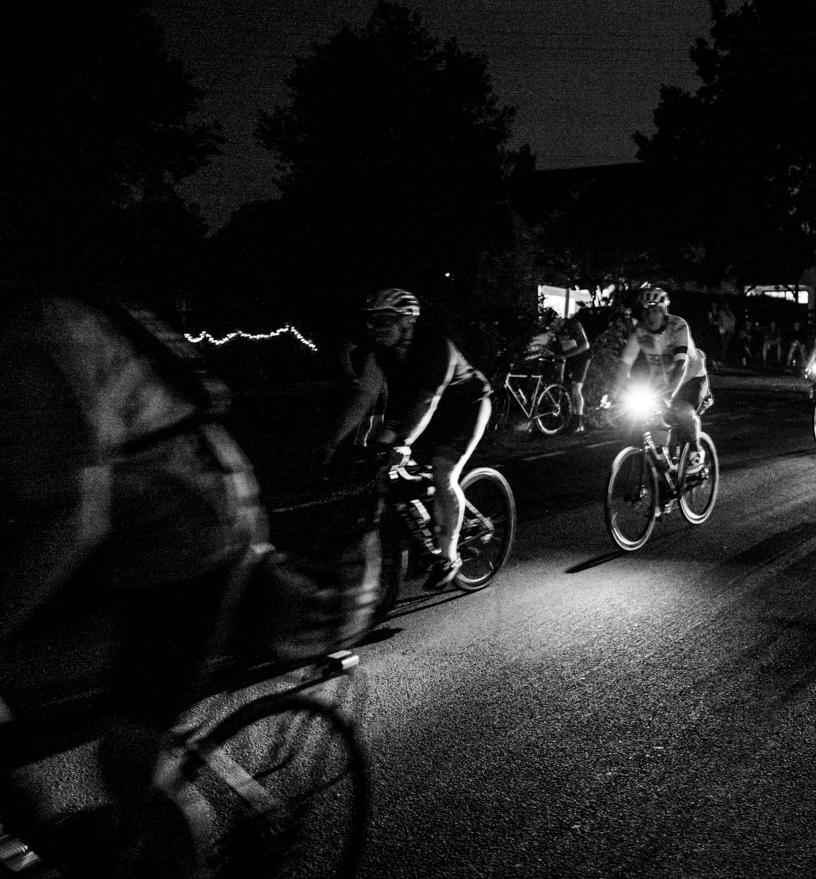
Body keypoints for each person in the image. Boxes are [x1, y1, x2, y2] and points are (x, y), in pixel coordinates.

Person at [0, 289, 265, 878]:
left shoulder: (28, 336)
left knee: (125, 755)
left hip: (194, 525)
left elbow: (75, 516)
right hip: (135, 526)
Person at [317, 288, 493, 590]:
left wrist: (402, 443)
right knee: (384, 466)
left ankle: (448, 557)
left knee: (443, 471)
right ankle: (427, 520)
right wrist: (332, 442)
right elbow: (363, 398)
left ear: (407, 320)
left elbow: (427, 400)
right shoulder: (381, 352)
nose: (377, 327)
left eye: (386, 320)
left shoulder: (435, 346)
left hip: (465, 407)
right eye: (373, 321)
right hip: (420, 412)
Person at [617, 287, 710, 470]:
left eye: (654, 311)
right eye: (646, 312)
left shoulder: (678, 326)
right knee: (649, 422)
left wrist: (668, 396)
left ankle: (695, 451)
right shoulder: (640, 332)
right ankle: (665, 469)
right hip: (662, 381)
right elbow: (624, 365)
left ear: (663, 311)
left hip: (690, 377)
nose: (650, 316)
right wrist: (612, 397)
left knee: (682, 410)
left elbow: (681, 365)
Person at [544, 309, 592, 434]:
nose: (551, 328)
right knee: (563, 386)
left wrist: (565, 356)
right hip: (569, 359)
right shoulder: (557, 331)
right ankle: (568, 419)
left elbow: (585, 345)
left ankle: (579, 423)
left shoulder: (573, 325)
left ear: (557, 320)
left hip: (582, 358)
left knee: (576, 388)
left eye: (552, 325)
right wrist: (560, 376)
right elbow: (559, 354)